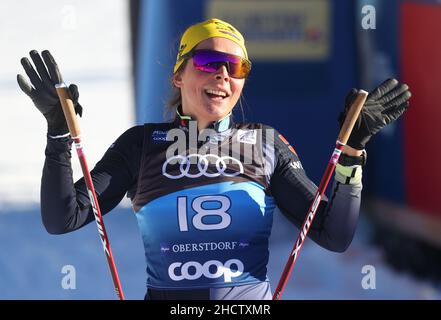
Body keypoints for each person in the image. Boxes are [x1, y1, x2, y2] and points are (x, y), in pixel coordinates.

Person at [17, 18, 411, 300]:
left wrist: (353, 151)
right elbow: (62, 218)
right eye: (208, 62)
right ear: (178, 75)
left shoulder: (264, 144)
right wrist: (58, 133)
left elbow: (334, 234)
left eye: (235, 67)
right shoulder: (142, 145)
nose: (223, 75)